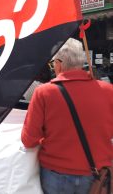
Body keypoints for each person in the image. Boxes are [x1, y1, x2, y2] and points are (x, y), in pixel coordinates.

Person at [21, 38, 113, 194]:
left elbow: (29, 140)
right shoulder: (108, 91)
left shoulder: (43, 93)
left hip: (55, 174)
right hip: (97, 173)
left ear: (58, 63)